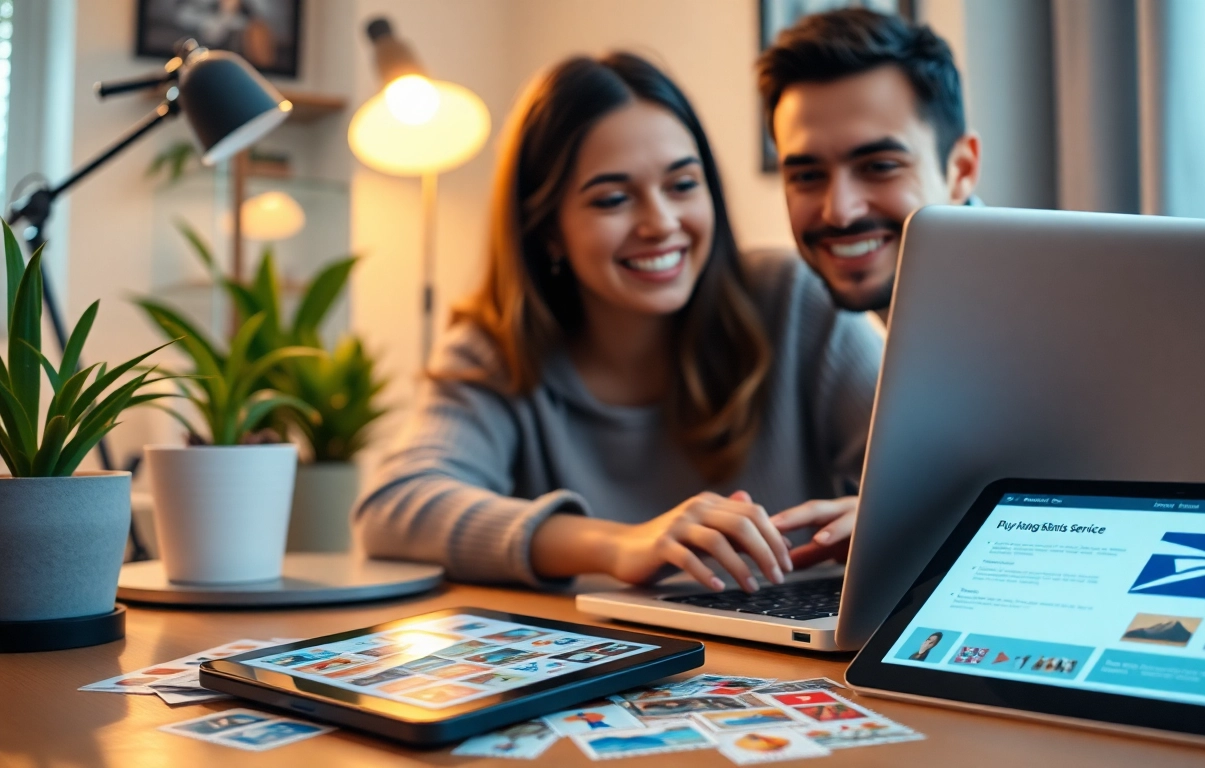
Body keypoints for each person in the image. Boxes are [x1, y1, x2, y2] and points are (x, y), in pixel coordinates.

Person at [353, 52, 880, 593]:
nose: (661, 224)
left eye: (682, 185)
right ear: (548, 230)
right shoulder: (496, 347)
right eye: (613, 199)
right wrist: (617, 544)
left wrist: (882, 516)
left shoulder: (795, 301)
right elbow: (396, 505)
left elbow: (942, 478)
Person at [758, 8, 983, 562]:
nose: (839, 211)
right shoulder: (863, 330)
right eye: (807, 175)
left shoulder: (1052, 321)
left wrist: (922, 521)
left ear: (961, 170)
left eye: (879, 165)